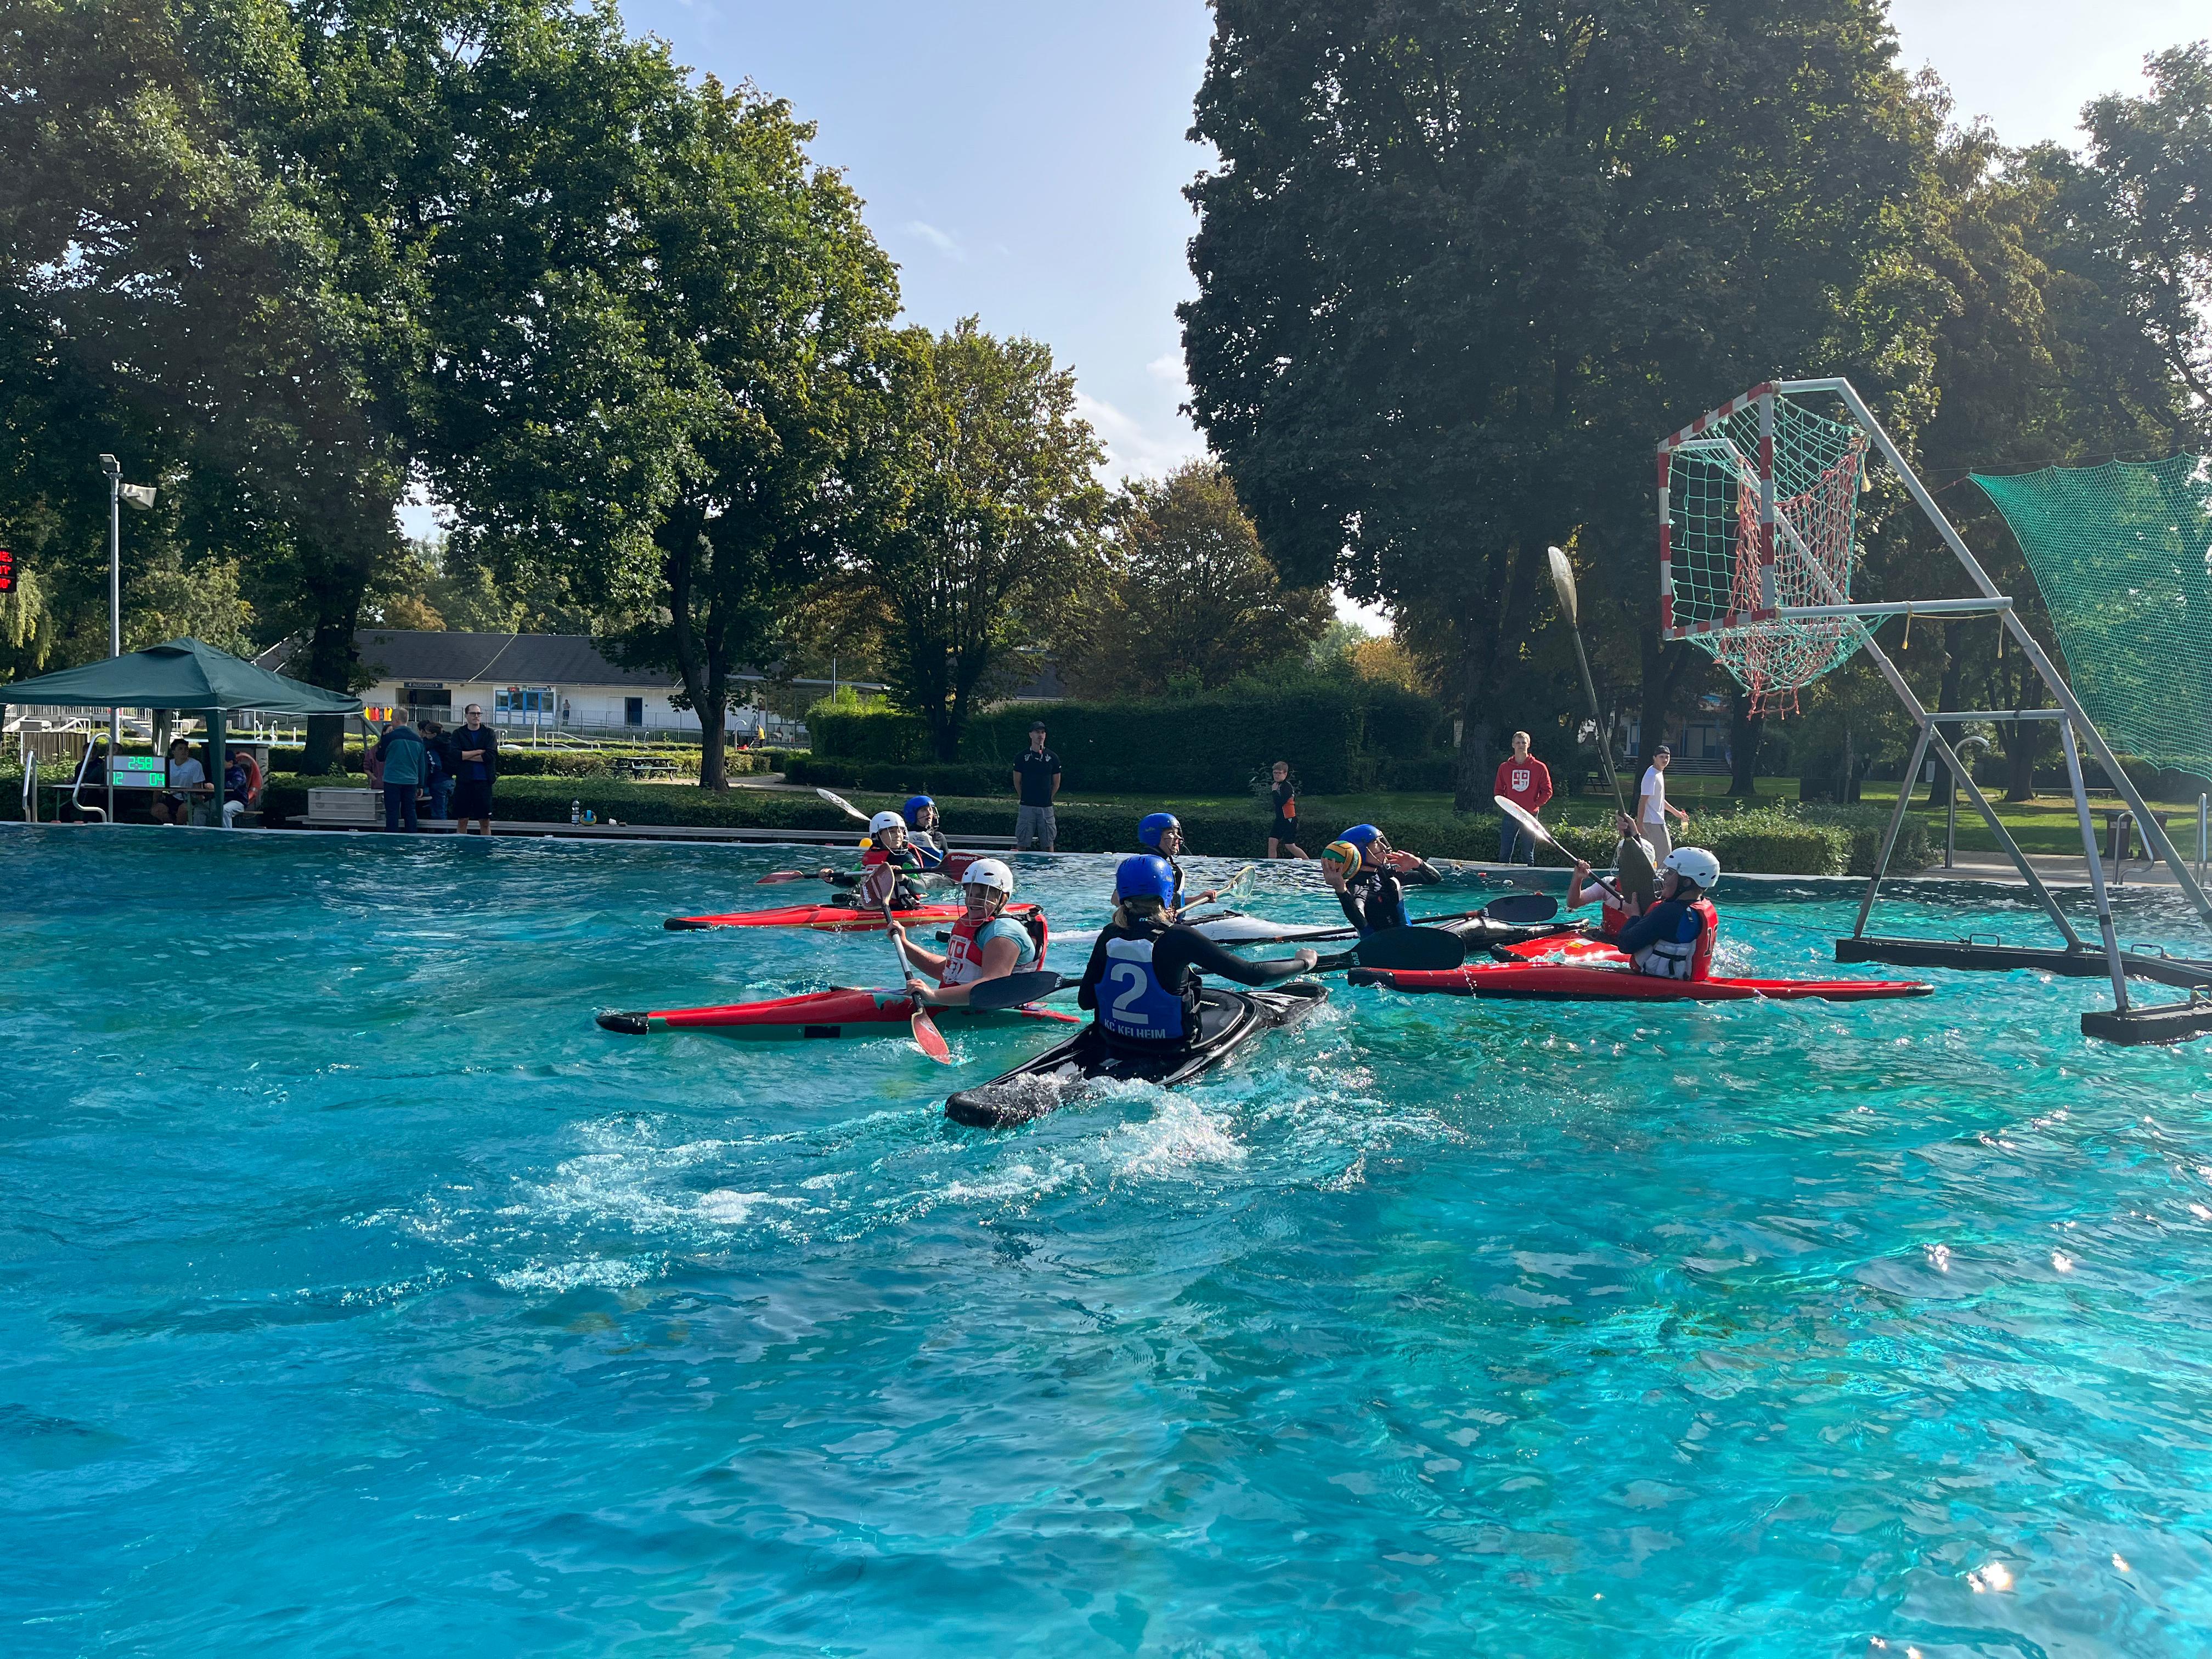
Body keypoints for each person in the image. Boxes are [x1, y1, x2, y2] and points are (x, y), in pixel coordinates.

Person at [1076, 854, 1318, 1051]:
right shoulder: (1179, 937)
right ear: (1167, 893)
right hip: (1169, 1046)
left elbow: (1085, 1002)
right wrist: (1304, 963)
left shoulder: (1110, 933)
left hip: (1112, 1038)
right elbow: (1254, 975)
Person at [887, 860, 1044, 1008]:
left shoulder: (1003, 933)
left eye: (982, 895)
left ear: (1003, 898)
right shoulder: (971, 923)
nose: (972, 901)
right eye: (970, 893)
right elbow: (950, 970)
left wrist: (934, 995)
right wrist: (904, 944)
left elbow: (993, 986)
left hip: (1003, 1012)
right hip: (966, 1007)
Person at [1613, 846, 1721, 980]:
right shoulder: (1705, 906)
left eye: (1670, 873)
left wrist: (1633, 916)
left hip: (1658, 981)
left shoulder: (1669, 912)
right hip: (1686, 978)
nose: (1664, 876)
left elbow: (1625, 945)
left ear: (1686, 883)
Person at [1321, 823, 1442, 935]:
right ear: (1359, 851)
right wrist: (1341, 890)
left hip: (1407, 936)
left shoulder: (1387, 874)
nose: (1384, 847)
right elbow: (1360, 923)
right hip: (1380, 946)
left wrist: (1418, 864)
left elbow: (1434, 879)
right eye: (1375, 843)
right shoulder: (1358, 886)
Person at [1568, 813, 1655, 941]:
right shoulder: (1609, 884)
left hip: (1630, 944)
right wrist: (1578, 878)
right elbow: (1574, 903)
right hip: (1606, 939)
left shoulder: (1657, 893)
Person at [1138, 812, 1221, 910]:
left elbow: (1169, 902)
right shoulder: (1145, 867)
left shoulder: (1165, 865)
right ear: (1153, 836)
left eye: (1177, 833)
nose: (1178, 837)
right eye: (1171, 833)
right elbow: (1117, 898)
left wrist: (1198, 899)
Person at [1493, 731, 1553, 864]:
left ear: (1529, 745)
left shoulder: (1539, 767)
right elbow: (1498, 791)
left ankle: (1530, 882)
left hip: (1530, 816)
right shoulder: (1504, 768)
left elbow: (1548, 791)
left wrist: (1535, 804)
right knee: (1504, 854)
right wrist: (1506, 806)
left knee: (1528, 855)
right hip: (1510, 815)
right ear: (1513, 745)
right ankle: (1502, 882)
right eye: (1518, 742)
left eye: (1524, 742)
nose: (1521, 745)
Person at [1012, 721, 1060, 852]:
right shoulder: (1021, 757)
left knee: (1048, 842)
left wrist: (1048, 798)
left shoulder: (1053, 757)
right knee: (1022, 841)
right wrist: (1024, 797)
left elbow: (1056, 783)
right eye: (1037, 732)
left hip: (1046, 807)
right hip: (1027, 806)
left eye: (1043, 732)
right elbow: (1017, 781)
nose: (1041, 735)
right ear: (1031, 735)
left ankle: (1049, 870)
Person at [1637, 743, 1690, 862]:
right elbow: (1643, 801)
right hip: (1653, 823)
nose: (1665, 760)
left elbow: (1659, 800)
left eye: (1667, 757)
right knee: (1665, 857)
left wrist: (1677, 813)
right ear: (1654, 758)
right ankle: (1661, 880)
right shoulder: (1651, 775)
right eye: (1662, 757)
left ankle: (1655, 880)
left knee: (1657, 858)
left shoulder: (1658, 774)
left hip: (1657, 821)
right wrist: (1639, 825)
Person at [452, 704, 498, 837]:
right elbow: (455, 755)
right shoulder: (458, 734)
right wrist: (478, 752)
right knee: (462, 820)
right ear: (466, 715)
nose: (476, 716)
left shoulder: (488, 733)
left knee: (485, 821)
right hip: (464, 782)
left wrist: (465, 756)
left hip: (484, 782)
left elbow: (490, 756)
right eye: (473, 714)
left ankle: (486, 850)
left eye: (478, 714)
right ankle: (461, 849)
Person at [377, 720, 427, 833]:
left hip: (392, 780)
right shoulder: (418, 739)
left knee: (392, 812)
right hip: (411, 781)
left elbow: (380, 757)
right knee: (410, 810)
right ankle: (412, 837)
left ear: (396, 720)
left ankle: (392, 839)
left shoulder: (390, 738)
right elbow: (422, 764)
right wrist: (421, 785)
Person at [154, 738, 206, 825]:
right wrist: (154, 802)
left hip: (188, 798)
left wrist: (200, 801)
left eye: (186, 749)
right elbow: (159, 786)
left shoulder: (196, 765)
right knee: (156, 810)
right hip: (171, 797)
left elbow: (198, 788)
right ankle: (173, 825)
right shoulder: (167, 764)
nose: (184, 751)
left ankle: (179, 829)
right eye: (180, 749)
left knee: (184, 810)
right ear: (173, 752)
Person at [1266, 760, 1306, 860]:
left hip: (1289, 819)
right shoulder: (1276, 785)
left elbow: (1280, 802)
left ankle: (1308, 862)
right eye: (1275, 773)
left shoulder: (1286, 787)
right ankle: (1272, 865)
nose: (1276, 775)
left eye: (1279, 773)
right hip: (1280, 819)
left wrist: (1274, 792)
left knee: (1290, 845)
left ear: (1285, 774)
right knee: (1272, 841)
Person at [419, 720, 452, 821]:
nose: (425, 735)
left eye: (427, 734)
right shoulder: (446, 742)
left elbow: (435, 765)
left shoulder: (431, 746)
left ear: (434, 734)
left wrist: (428, 777)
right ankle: (444, 834)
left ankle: (440, 836)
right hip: (448, 779)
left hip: (438, 781)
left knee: (438, 813)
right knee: (442, 810)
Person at [221, 749, 260, 828]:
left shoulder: (238, 772)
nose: (220, 763)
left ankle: (227, 834)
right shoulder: (220, 772)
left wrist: (217, 787)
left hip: (239, 801)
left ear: (231, 762)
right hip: (222, 800)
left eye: (223, 761)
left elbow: (234, 785)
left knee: (225, 810)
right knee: (201, 810)